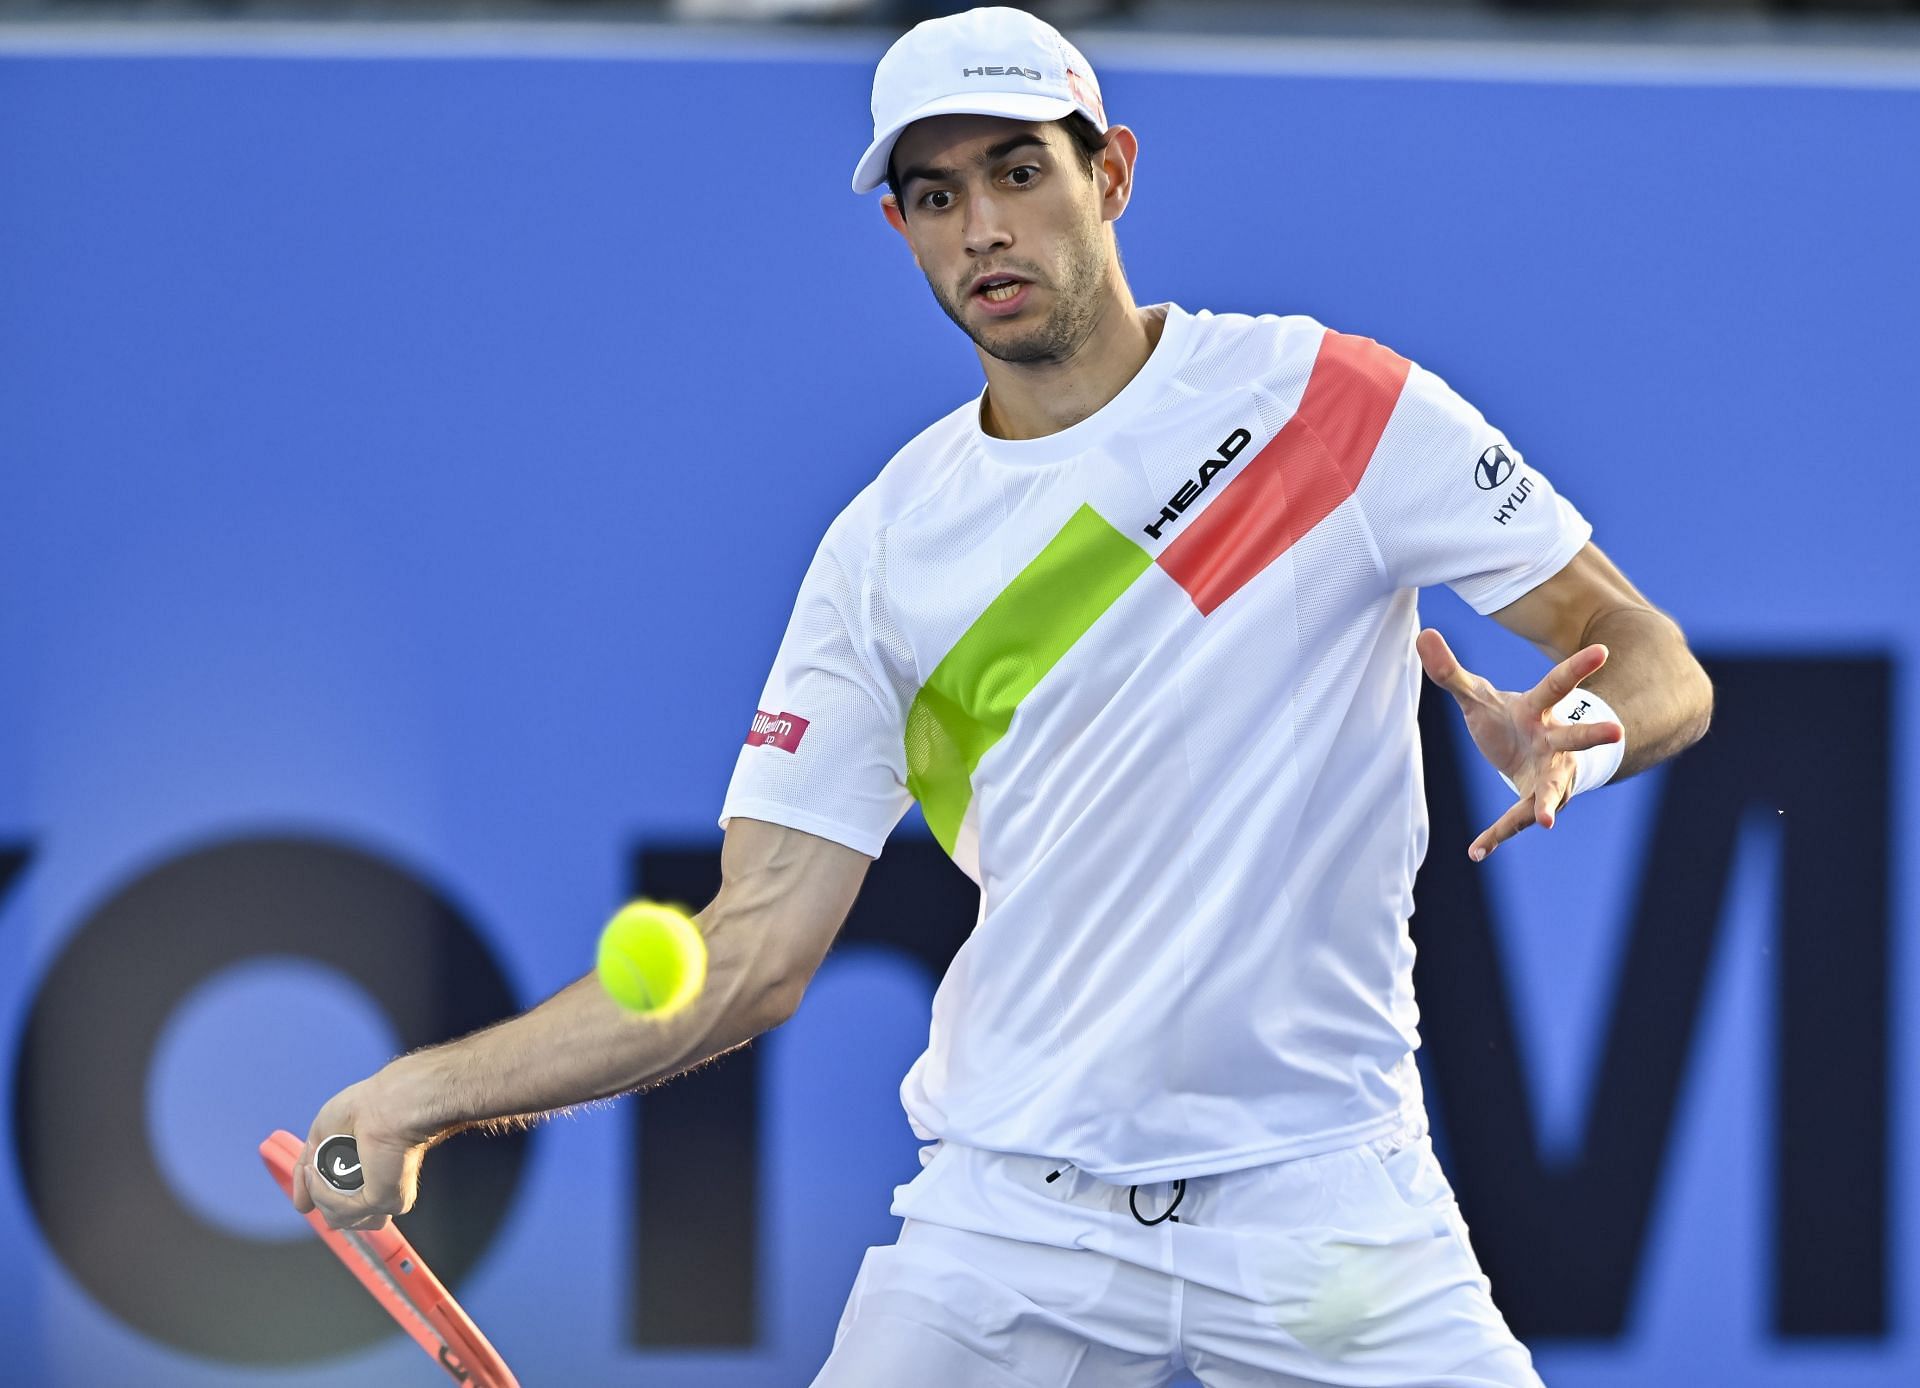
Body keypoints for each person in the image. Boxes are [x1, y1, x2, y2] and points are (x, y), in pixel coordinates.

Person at [293, 7, 1713, 1384]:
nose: (982, 227)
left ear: (1112, 173)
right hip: (1012, 1227)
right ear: (900, 228)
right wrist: (426, 1093)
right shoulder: (882, 552)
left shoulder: (1329, 406)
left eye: (1019, 171)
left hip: (1328, 1206)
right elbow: (751, 951)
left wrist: (1575, 739)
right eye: (933, 194)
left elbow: (1646, 651)